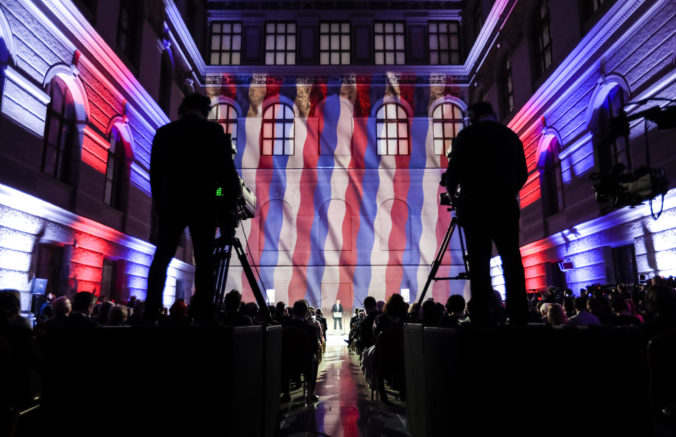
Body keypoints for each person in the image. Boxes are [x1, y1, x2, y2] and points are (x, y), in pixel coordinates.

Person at [146, 93, 240, 323]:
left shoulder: (164, 133)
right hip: (204, 204)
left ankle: (150, 312)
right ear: (205, 111)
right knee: (205, 260)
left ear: (183, 109)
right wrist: (222, 204)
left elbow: (155, 176)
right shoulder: (214, 133)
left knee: (162, 257)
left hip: (172, 203)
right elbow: (225, 178)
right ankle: (204, 313)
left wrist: (161, 203)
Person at [445, 101, 529, 327]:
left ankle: (481, 316)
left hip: (475, 207)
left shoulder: (467, 136)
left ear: (472, 116)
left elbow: (451, 178)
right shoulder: (511, 136)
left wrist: (456, 199)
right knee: (511, 259)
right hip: (505, 206)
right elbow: (522, 174)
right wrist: (507, 189)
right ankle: (518, 314)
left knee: (479, 264)